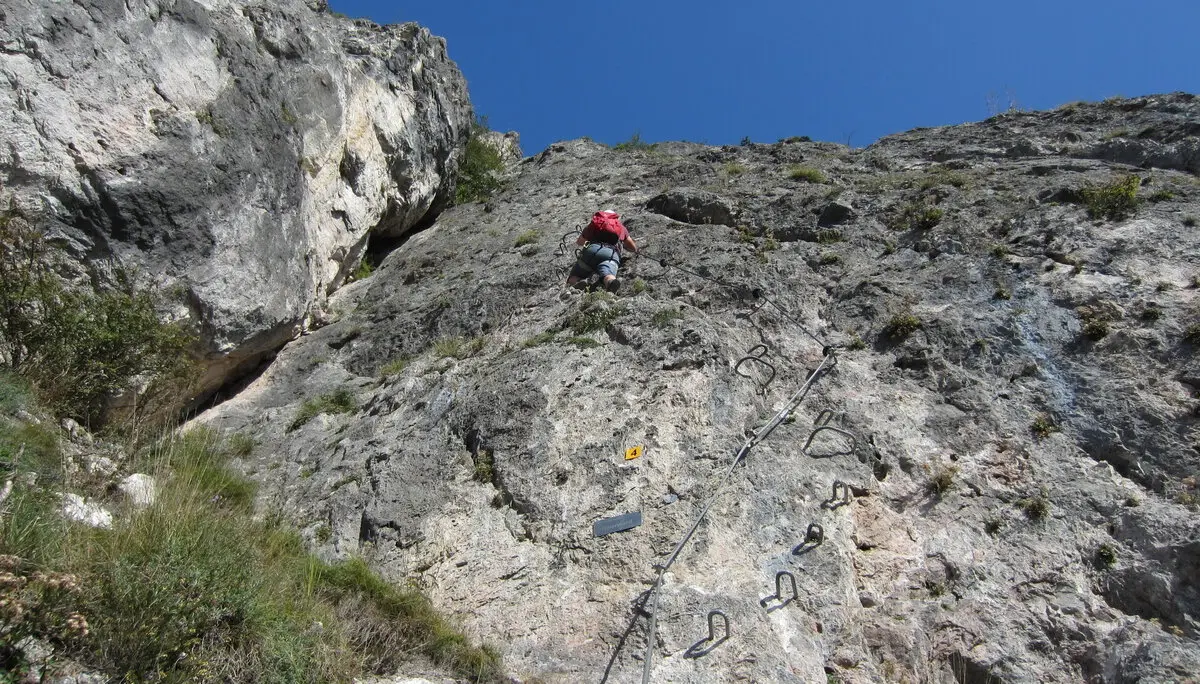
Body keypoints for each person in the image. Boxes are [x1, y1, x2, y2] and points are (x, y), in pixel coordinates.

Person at [566, 210, 639, 292]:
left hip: (592, 251)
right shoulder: (621, 227)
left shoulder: (594, 224)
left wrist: (589, 243)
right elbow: (633, 248)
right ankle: (610, 282)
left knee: (573, 277)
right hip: (611, 254)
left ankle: (580, 282)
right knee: (607, 273)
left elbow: (580, 242)